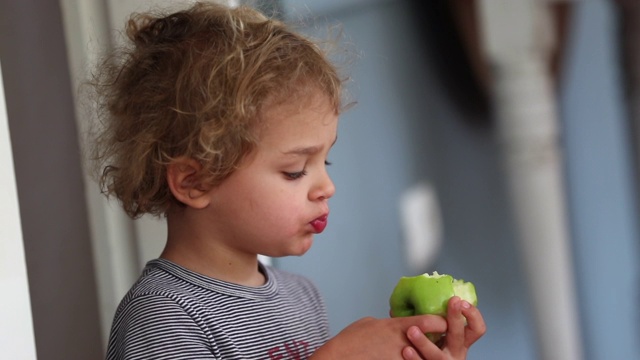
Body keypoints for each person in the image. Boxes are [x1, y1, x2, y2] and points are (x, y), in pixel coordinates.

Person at [90, 2, 486, 359]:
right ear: (194, 182)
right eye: (295, 170)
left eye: (324, 161)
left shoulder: (301, 298)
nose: (326, 187)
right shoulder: (165, 317)